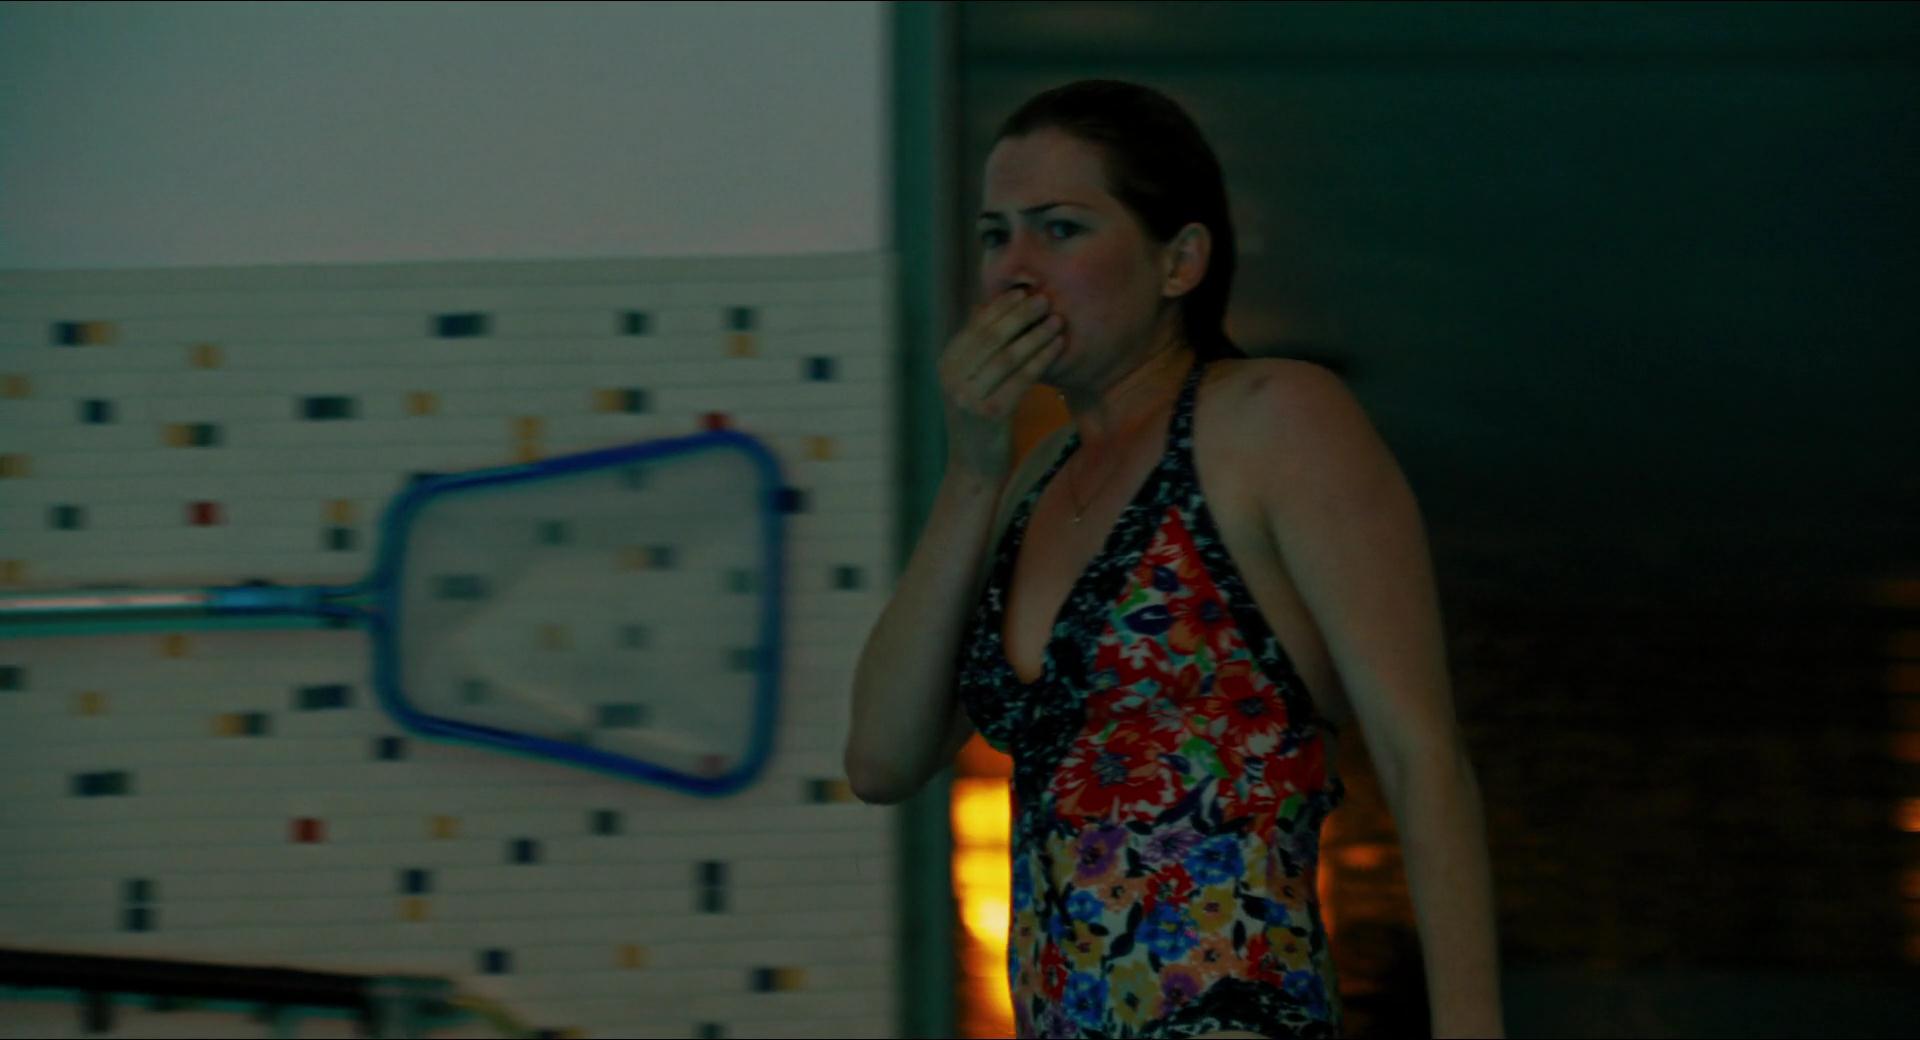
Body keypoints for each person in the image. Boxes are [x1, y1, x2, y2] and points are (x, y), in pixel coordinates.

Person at [845, 79, 1503, 1039]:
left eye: (1060, 229)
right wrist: (971, 470)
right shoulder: (1034, 481)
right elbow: (880, 756)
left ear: (1180, 261)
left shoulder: (1272, 419)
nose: (1014, 271)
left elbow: (1420, 753)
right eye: (995, 236)